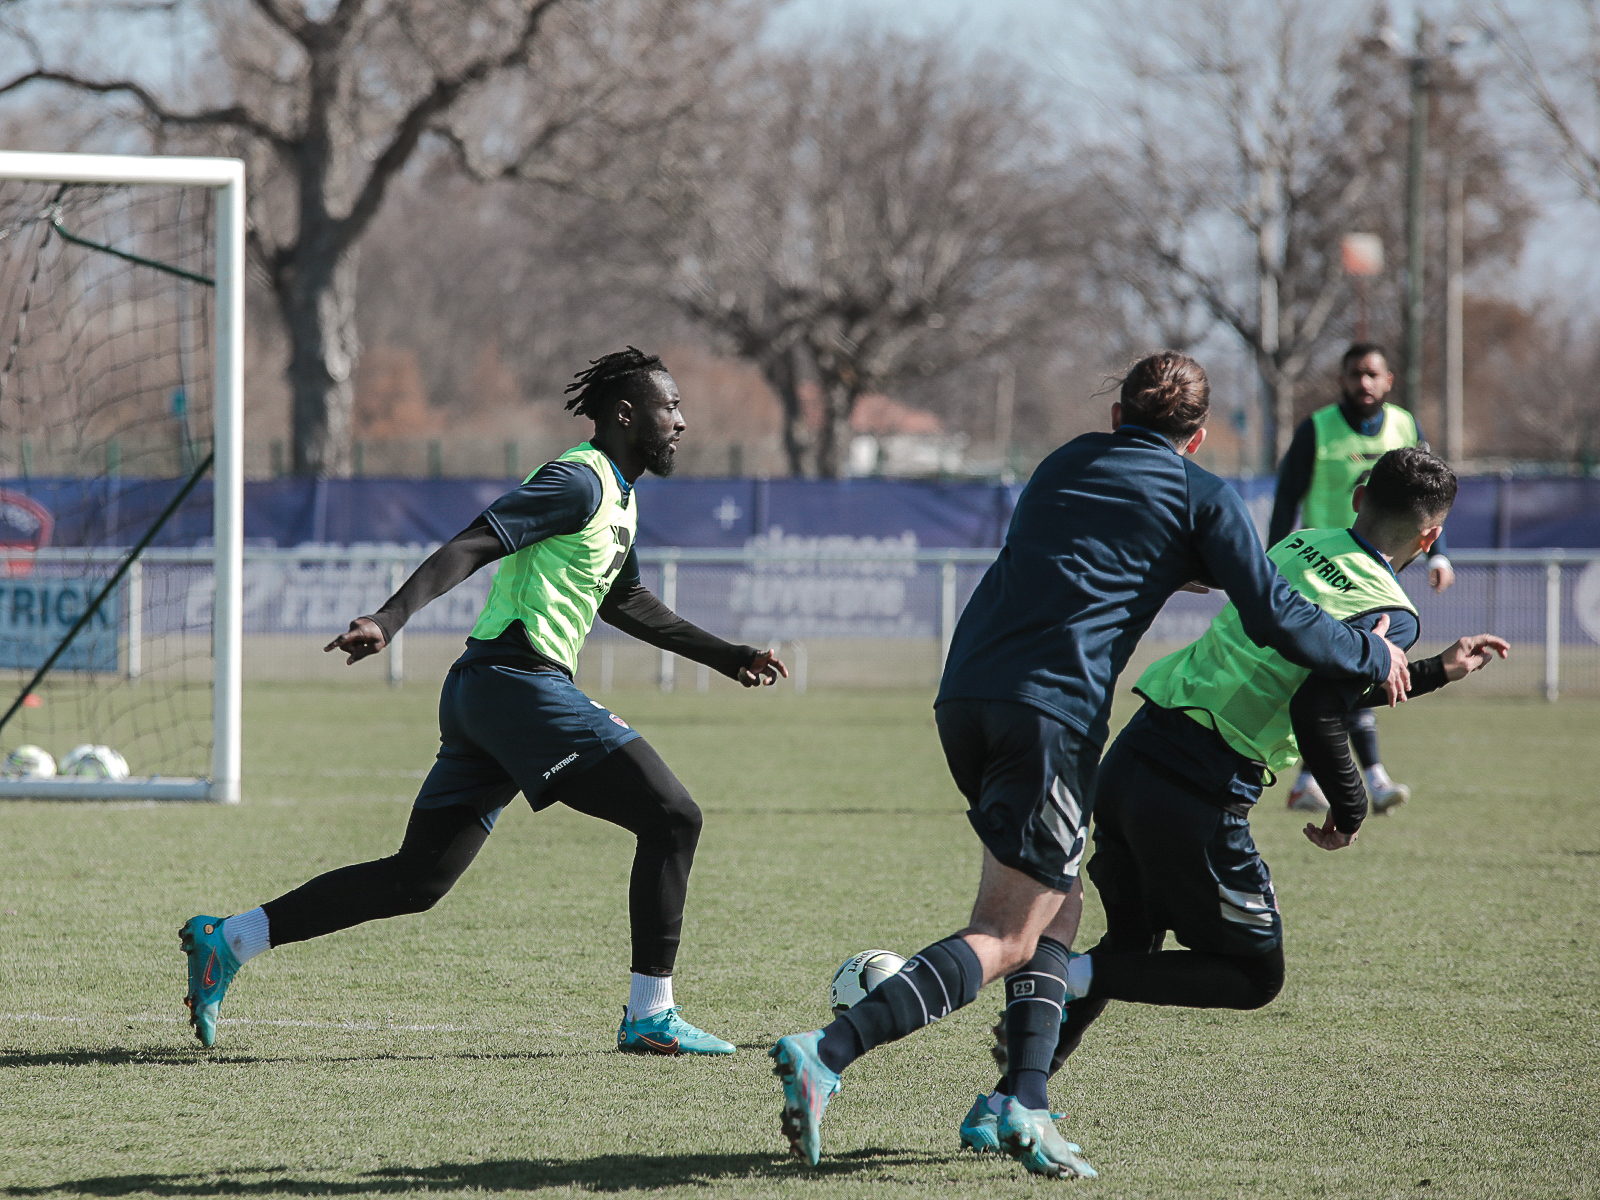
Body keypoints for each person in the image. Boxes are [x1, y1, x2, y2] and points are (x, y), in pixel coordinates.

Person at [767, 351, 1413, 1178]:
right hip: (1052, 713)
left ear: (1117, 418)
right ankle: (830, 1049)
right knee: (1008, 932)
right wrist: (1366, 646)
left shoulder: (1064, 459)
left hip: (966, 695)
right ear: (1199, 436)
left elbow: (1092, 555)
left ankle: (1022, 1100)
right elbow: (1277, 618)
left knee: (1060, 901)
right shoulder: (1201, 496)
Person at [179, 347, 786, 1056]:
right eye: (670, 407)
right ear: (627, 416)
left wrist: (728, 656)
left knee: (418, 879)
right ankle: (650, 1015)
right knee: (673, 817)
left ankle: (231, 940)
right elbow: (474, 541)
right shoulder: (577, 482)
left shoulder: (619, 498)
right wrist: (388, 618)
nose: (682, 422)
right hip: (516, 686)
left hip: (489, 694)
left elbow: (626, 601)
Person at [989, 448, 1505, 1143]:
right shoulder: (1391, 608)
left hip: (1135, 755)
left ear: (1358, 498)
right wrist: (1351, 808)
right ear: (1430, 537)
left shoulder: (1298, 542)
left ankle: (1011, 1100)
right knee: (1254, 975)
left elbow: (1309, 678)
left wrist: (1437, 670)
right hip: (1197, 790)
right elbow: (1319, 711)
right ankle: (1059, 978)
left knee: (1135, 937)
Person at [1269, 343, 1456, 815]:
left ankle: (1323, 780)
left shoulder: (1407, 426)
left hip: (1378, 569)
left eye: (1373, 374)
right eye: (1356, 374)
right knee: (1354, 664)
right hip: (1324, 568)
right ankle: (1365, 780)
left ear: (1388, 380)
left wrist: (1439, 556)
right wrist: (1265, 561)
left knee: (1349, 666)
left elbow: (1431, 494)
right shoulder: (1317, 428)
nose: (1364, 383)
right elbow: (1286, 495)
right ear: (1342, 379)